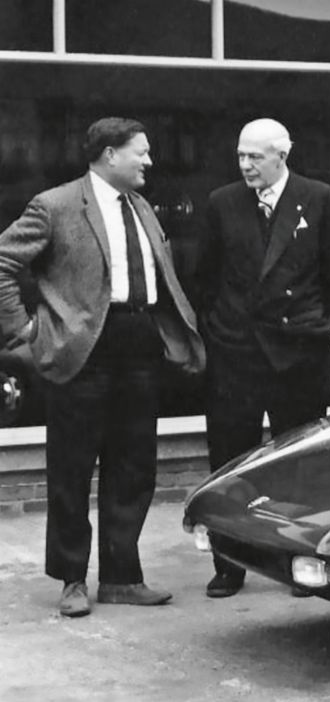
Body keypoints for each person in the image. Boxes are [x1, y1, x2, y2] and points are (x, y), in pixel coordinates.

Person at [0, 117, 205, 617]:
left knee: (135, 466)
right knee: (72, 470)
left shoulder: (142, 208)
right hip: (81, 351)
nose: (150, 162)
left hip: (139, 344)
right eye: (142, 152)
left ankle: (121, 576)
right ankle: (72, 579)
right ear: (110, 155)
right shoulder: (55, 205)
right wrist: (23, 332)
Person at [196, 118, 330, 598]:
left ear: (281, 156)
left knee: (301, 464)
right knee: (231, 463)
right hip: (237, 355)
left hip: (298, 354)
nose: (245, 166)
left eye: (255, 157)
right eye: (241, 157)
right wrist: (219, 336)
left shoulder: (319, 197)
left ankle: (300, 562)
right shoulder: (222, 204)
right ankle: (229, 565)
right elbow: (205, 278)